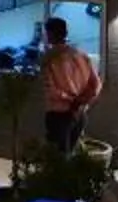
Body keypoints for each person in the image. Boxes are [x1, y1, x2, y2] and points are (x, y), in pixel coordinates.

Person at [39, 16, 101, 154]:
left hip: (59, 114)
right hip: (80, 114)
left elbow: (52, 91)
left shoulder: (49, 59)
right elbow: (96, 85)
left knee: (57, 159)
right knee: (70, 156)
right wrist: (81, 102)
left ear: (50, 34)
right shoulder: (82, 56)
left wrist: (71, 101)